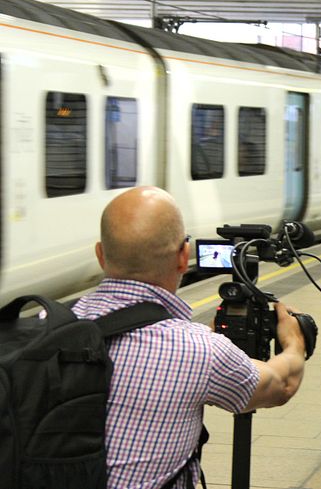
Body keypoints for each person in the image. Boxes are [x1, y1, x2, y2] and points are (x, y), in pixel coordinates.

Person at [71, 186, 307, 489]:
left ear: (101, 255)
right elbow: (281, 384)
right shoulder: (200, 351)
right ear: (183, 257)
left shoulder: (47, 324)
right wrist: (294, 342)